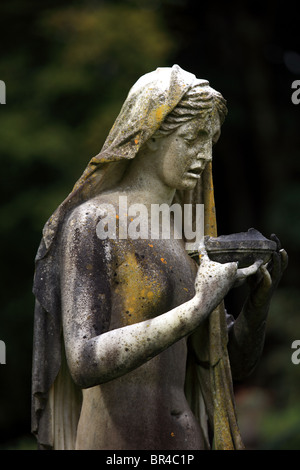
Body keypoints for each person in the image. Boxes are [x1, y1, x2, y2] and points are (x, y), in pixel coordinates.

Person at [32, 65, 287, 450]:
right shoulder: (94, 223)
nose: (205, 154)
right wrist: (197, 307)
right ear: (150, 137)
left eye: (211, 141)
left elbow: (227, 359)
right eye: (194, 138)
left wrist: (257, 305)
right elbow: (83, 361)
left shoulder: (187, 238)